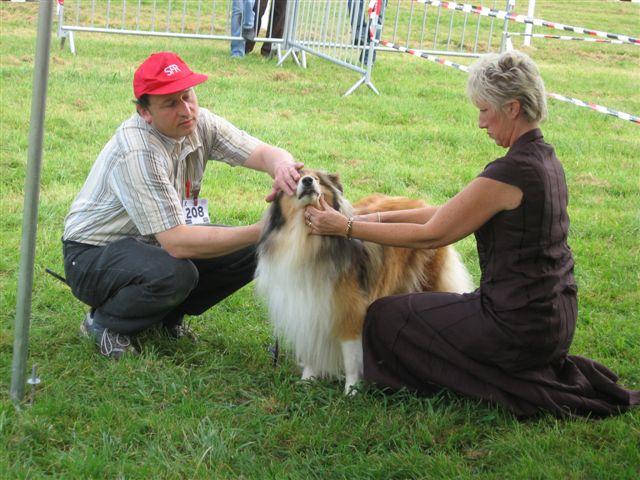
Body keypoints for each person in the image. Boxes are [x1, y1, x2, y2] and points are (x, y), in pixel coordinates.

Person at [304, 50, 639, 417]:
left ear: (512, 108)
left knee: (385, 317)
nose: (481, 122)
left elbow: (433, 234)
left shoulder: (511, 172)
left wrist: (346, 226)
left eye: (484, 110)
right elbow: (444, 213)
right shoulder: (545, 159)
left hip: (515, 325)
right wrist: (371, 215)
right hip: (554, 317)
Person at [62, 52, 302, 359]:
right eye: (171, 103)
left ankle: (165, 318)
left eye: (188, 96)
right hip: (91, 254)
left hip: (152, 243)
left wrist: (283, 167)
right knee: (177, 272)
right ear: (145, 112)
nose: (186, 110)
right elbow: (177, 243)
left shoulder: (200, 123)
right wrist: (266, 229)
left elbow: (263, 152)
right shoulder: (138, 151)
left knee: (254, 250)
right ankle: (105, 324)